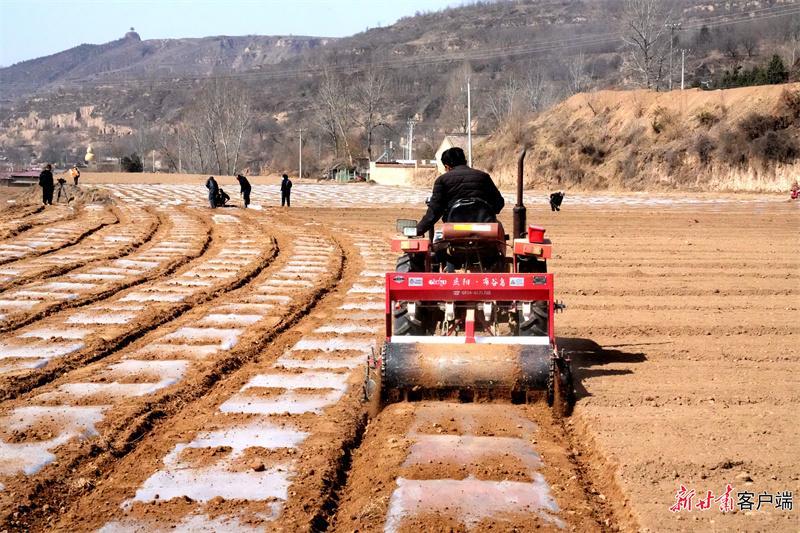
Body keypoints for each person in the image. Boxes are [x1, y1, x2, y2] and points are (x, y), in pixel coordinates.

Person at [415, 147, 504, 236]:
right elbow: (499, 203)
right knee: (499, 232)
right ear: (465, 161)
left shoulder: (442, 180)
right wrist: (486, 211)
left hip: (454, 228)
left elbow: (434, 212)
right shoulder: (483, 177)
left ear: (447, 166)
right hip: (484, 226)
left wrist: (418, 230)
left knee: (438, 243)